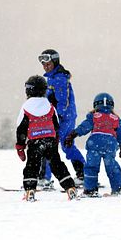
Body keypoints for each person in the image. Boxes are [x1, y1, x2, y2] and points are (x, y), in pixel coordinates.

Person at [14, 75, 77, 202]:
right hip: (50, 139)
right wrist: (56, 138)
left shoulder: (26, 107)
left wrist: (20, 147)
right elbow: (56, 124)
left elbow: (21, 128)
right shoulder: (49, 105)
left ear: (29, 90)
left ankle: (30, 190)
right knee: (57, 165)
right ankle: (69, 187)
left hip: (34, 141)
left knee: (32, 165)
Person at [38, 49, 85, 188]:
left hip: (64, 117)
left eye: (48, 63)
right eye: (43, 64)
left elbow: (63, 101)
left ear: (55, 62)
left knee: (66, 144)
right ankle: (44, 178)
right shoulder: (51, 78)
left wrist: (58, 116)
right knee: (48, 144)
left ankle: (84, 175)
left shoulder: (59, 79)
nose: (45, 66)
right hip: (56, 117)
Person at [64, 93, 121, 197]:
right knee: (112, 167)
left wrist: (72, 135)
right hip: (110, 145)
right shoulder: (116, 118)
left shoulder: (94, 116)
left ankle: (90, 190)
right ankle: (118, 189)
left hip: (95, 144)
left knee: (91, 167)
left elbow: (84, 127)